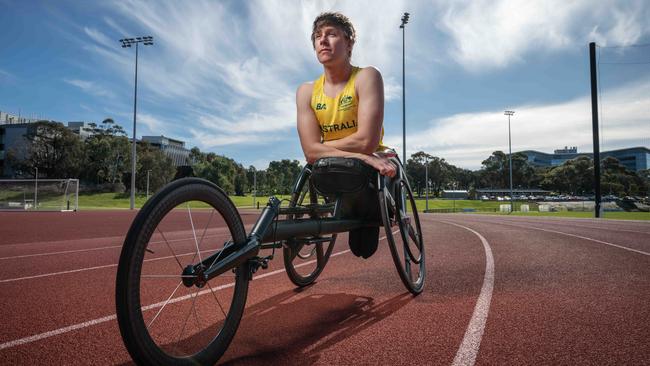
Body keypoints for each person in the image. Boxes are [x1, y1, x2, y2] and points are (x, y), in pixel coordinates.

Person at [296, 12, 395, 258]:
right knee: (318, 165)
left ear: (349, 43)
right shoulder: (306, 92)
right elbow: (309, 152)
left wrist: (329, 147)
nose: (323, 40)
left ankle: (376, 212)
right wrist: (363, 155)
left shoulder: (366, 77)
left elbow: (366, 141)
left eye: (331, 34)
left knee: (364, 245)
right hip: (335, 170)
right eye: (318, 36)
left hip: (372, 174)